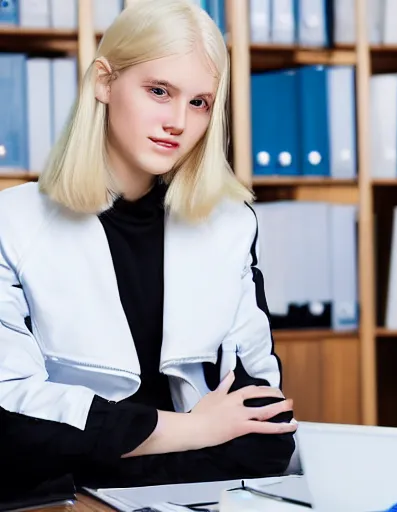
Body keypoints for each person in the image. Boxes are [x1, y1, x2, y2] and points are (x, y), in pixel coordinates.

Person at [0, 0, 297, 495]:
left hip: (197, 502)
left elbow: (267, 434)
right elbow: (12, 433)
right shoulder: (13, 222)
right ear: (104, 82)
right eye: (160, 91)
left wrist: (107, 446)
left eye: (199, 102)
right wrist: (199, 429)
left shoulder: (230, 225)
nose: (178, 121)